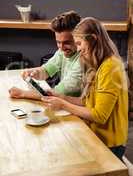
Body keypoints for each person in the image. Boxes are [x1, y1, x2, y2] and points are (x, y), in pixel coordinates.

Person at [41, 17, 128, 161]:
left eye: (80, 43)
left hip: (110, 143)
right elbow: (87, 102)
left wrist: (63, 105)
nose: (79, 49)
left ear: (93, 39)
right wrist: (62, 97)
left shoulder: (111, 67)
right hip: (96, 136)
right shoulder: (98, 63)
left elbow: (99, 115)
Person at [9, 11, 82, 99]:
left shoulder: (84, 60)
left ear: (79, 38)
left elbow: (57, 93)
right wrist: (34, 72)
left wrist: (22, 93)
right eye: (58, 42)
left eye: (67, 43)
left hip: (77, 108)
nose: (61, 48)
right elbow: (46, 70)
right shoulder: (62, 52)